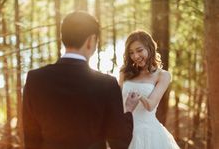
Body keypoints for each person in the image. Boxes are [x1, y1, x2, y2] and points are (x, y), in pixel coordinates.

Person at [23, 11, 139, 149]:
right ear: (91, 40)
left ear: (63, 38)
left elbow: (31, 140)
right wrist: (129, 111)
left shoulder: (35, 79)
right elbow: (119, 143)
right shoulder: (107, 84)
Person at [119, 30, 180, 149]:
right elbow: (117, 100)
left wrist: (139, 96)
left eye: (139, 50)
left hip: (148, 133)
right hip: (125, 129)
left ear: (150, 47)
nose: (135, 56)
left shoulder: (163, 75)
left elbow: (151, 105)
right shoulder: (125, 72)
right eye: (131, 53)